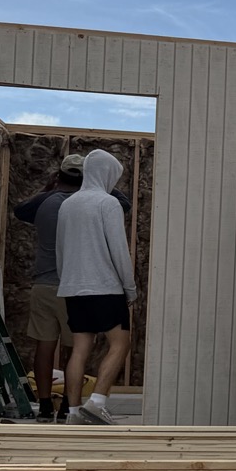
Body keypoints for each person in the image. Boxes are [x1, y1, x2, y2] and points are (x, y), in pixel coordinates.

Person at [57, 149, 139, 426]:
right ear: (107, 174)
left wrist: (66, 279)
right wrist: (130, 289)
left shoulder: (67, 204)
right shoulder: (108, 204)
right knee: (120, 343)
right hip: (105, 287)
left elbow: (61, 249)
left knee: (80, 348)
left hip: (73, 287)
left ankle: (73, 413)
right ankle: (97, 402)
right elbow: (119, 250)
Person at [12, 154, 87, 420]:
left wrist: (47, 187)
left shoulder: (45, 204)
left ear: (59, 176)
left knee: (44, 347)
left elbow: (20, 210)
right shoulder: (86, 205)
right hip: (74, 289)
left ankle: (44, 405)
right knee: (74, 349)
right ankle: (68, 404)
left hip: (43, 286)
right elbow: (122, 204)